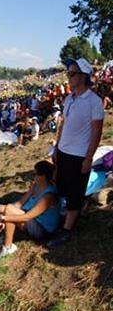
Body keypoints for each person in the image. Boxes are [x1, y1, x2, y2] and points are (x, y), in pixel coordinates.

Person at [51, 58, 105, 245]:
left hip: (79, 155)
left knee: (75, 192)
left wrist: (88, 159)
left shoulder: (94, 102)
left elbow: (97, 132)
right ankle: (67, 217)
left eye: (72, 73)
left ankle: (67, 230)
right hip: (63, 151)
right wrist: (57, 147)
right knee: (63, 187)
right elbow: (63, 125)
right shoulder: (69, 98)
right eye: (68, 73)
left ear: (84, 76)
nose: (68, 76)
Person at [0, 160, 62, 259]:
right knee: (1, 207)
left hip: (41, 228)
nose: (33, 176)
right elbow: (20, 203)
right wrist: (4, 214)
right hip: (30, 217)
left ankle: (8, 247)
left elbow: (28, 217)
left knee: (9, 210)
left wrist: (5, 218)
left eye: (35, 174)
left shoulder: (48, 196)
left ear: (43, 176)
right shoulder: (36, 186)